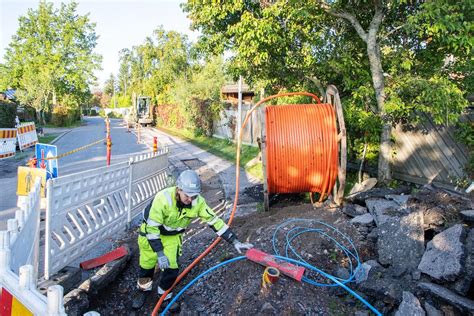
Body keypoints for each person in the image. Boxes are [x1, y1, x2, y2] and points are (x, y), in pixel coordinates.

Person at [134, 169, 253, 310]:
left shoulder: (198, 202)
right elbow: (152, 229)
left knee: (172, 269)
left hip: (172, 238)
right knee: (147, 266)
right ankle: (143, 290)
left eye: (194, 196)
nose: (190, 200)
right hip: (151, 234)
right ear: (179, 189)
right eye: (188, 196)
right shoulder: (163, 199)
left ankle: (164, 297)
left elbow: (214, 221)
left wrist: (235, 241)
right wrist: (160, 253)